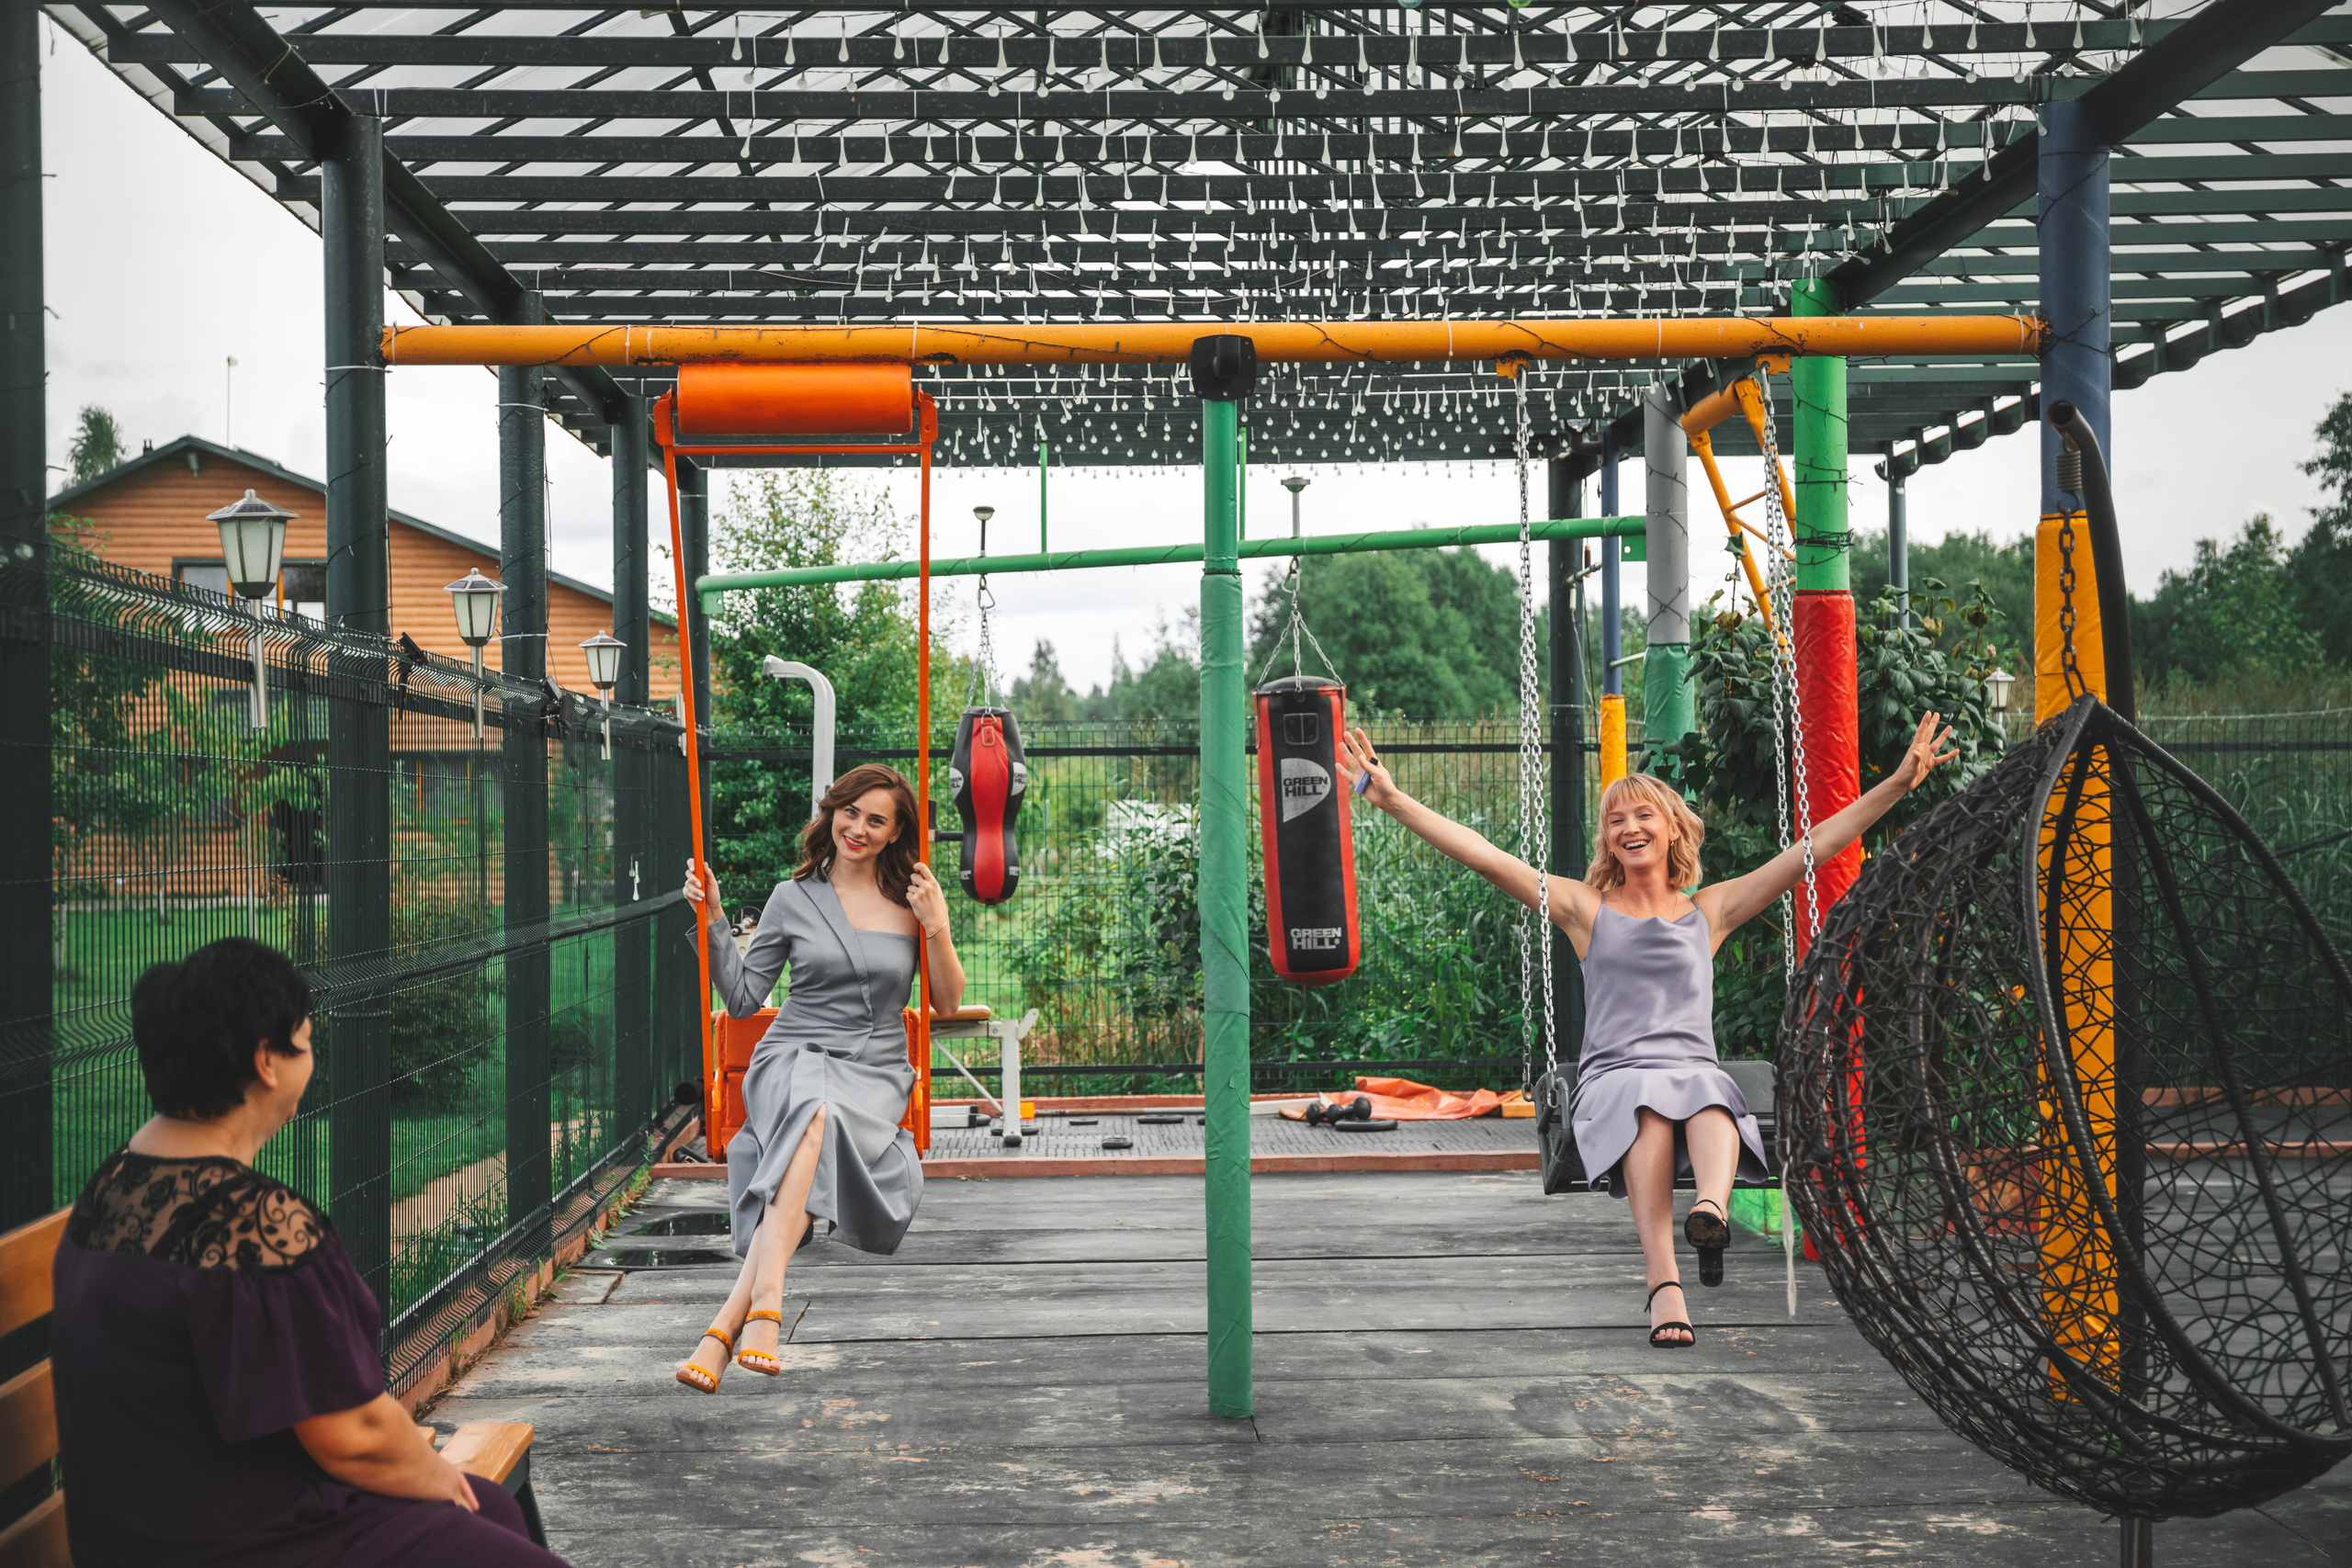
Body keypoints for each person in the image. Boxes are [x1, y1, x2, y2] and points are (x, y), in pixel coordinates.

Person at [1338, 713, 1954, 1348]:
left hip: (1691, 1070)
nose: (1629, 828)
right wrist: (1393, 799)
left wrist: (1900, 784)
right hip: (1616, 1077)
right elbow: (1487, 857)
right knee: (1650, 1106)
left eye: (1643, 816)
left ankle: (1708, 1211)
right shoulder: (1586, 909)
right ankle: (1666, 1285)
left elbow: (1810, 851)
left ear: (1672, 828)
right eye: (1616, 821)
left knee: (1708, 1090)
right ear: (1609, 842)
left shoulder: (1710, 910)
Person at [51, 938, 567, 1566]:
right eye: (307, 1036)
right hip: (248, 1539)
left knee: (496, 1507)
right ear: (267, 1060)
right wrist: (436, 1479)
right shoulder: (257, 1227)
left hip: (136, 1532)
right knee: (497, 1530)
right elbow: (355, 1436)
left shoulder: (112, 1190)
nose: (312, 1054)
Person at [674, 762, 967, 1392]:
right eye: (849, 811)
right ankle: (767, 1306)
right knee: (815, 1108)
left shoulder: (912, 898)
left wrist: (937, 925)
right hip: (794, 1055)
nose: (857, 827)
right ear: (832, 811)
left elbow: (944, 1002)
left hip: (875, 1069)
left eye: (875, 819)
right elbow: (747, 997)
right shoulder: (793, 897)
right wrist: (716, 919)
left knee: (822, 1118)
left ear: (894, 833)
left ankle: (727, 1321)